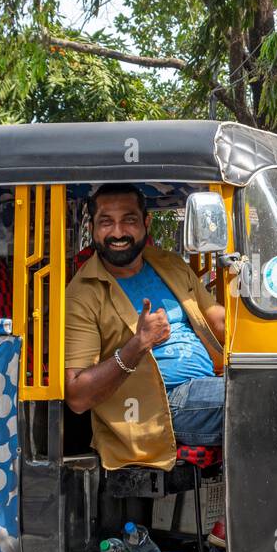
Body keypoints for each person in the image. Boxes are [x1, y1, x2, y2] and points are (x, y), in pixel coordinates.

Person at [63, 184, 227, 476]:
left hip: (209, 385)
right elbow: (77, 396)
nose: (117, 233)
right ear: (92, 227)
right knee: (257, 397)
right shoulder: (82, 293)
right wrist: (138, 344)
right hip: (161, 406)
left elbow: (220, 322)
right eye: (106, 222)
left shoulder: (170, 264)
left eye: (128, 220)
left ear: (145, 223)